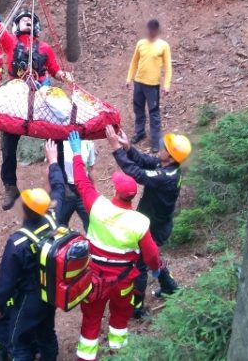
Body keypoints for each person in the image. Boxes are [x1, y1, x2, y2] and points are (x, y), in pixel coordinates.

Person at [0, 0, 75, 210]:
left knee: (57, 140)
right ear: (16, 25)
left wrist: (64, 75)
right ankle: (10, 186)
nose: (28, 20)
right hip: (16, 98)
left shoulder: (45, 48)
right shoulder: (10, 42)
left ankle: (60, 182)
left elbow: (54, 69)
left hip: (41, 98)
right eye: (23, 19)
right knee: (8, 146)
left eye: (30, 19)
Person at [60, 133, 162, 361]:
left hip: (94, 279)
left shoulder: (98, 207)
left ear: (115, 191)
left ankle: (86, 357)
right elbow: (152, 254)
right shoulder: (139, 222)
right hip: (123, 282)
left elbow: (81, 182)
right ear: (132, 198)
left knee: (91, 320)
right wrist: (156, 270)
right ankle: (120, 355)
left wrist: (77, 154)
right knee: (119, 319)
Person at [105, 125, 190, 317]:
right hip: (156, 224)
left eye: (164, 148)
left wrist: (116, 149)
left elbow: (139, 174)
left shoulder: (166, 176)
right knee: (152, 258)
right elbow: (145, 161)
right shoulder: (167, 166)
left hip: (154, 228)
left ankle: (136, 307)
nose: (160, 148)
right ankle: (169, 287)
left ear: (171, 156)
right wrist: (127, 148)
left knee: (140, 266)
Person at [0, 177, 66, 361]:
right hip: (50, 293)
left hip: (28, 301)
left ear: (25, 210)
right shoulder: (53, 219)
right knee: (47, 332)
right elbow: (59, 191)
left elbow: (6, 281)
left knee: (18, 341)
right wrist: (54, 163)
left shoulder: (18, 243)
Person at [125, 19, 173, 150]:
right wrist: (129, 78)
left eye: (153, 30)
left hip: (153, 85)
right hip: (139, 82)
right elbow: (134, 62)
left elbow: (168, 67)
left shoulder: (163, 46)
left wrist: (166, 84)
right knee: (138, 108)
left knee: (154, 112)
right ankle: (139, 132)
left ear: (157, 31)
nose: (151, 32)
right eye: (149, 30)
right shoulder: (141, 43)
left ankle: (156, 140)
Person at [57, 137, 96, 230]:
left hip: (82, 189)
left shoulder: (88, 142)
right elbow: (50, 167)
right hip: (64, 189)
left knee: (91, 224)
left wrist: (94, 191)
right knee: (59, 225)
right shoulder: (58, 141)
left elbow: (91, 168)